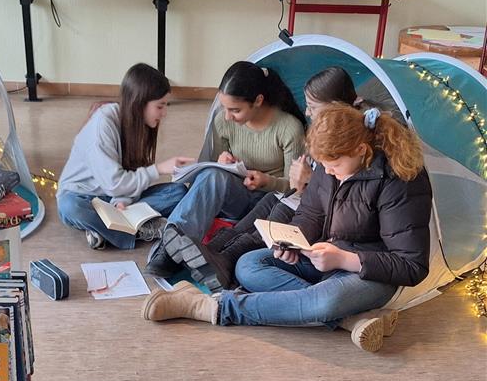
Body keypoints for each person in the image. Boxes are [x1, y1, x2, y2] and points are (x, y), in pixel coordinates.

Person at [141, 104, 432, 352]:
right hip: (324, 259)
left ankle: (208, 307)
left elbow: (412, 265)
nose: (327, 172)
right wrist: (291, 243)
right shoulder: (327, 168)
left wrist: (345, 260)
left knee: (327, 299)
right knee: (249, 264)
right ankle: (348, 319)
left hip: (369, 272)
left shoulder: (401, 180)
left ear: (360, 150)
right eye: (324, 165)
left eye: (335, 164)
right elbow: (309, 215)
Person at [165, 67, 363, 291]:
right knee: (248, 224)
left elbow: (337, 194)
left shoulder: (342, 141)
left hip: (305, 205)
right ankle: (208, 254)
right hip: (292, 196)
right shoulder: (322, 130)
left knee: (263, 230)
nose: (307, 113)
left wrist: (306, 182)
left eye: (313, 107)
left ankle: (223, 262)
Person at [145, 61, 306, 275]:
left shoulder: (288, 128)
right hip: (235, 194)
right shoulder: (223, 121)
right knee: (212, 174)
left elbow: (295, 188)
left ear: (258, 100)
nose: (228, 116)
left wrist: (267, 181)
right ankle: (169, 247)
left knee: (211, 182)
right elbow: (210, 166)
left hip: (270, 202)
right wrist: (221, 161)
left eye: (235, 110)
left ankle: (183, 249)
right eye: (225, 108)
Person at [56, 63, 193, 250]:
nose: (164, 113)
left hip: (114, 197)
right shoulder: (102, 126)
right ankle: (138, 230)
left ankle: (105, 231)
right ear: (139, 103)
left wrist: (123, 201)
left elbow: (133, 174)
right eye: (160, 106)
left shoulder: (138, 123)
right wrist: (159, 169)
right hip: (84, 196)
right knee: (69, 206)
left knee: (178, 192)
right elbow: (114, 183)